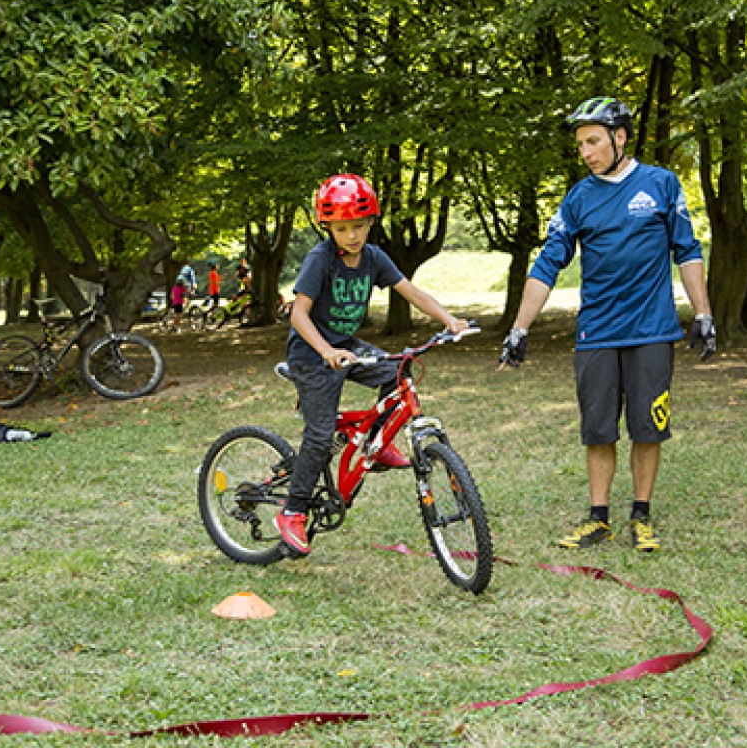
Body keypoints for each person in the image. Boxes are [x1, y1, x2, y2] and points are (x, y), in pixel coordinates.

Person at [498, 96, 717, 553]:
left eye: (593, 141)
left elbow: (688, 250)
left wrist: (703, 313)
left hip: (651, 331)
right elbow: (546, 265)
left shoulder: (661, 184)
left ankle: (641, 515)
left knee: (647, 426)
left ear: (619, 138)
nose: (586, 152)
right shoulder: (578, 198)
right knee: (598, 428)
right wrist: (520, 327)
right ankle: (599, 519)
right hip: (597, 332)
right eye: (580, 144)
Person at [274, 173, 468, 557]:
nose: (352, 235)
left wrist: (449, 320)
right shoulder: (320, 259)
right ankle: (293, 511)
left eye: (359, 226)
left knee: (398, 371)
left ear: (371, 222)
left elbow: (410, 291)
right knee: (320, 434)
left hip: (346, 345)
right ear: (328, 226)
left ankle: (376, 444)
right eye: (342, 228)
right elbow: (299, 314)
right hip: (312, 353)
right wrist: (326, 350)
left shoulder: (374, 257)